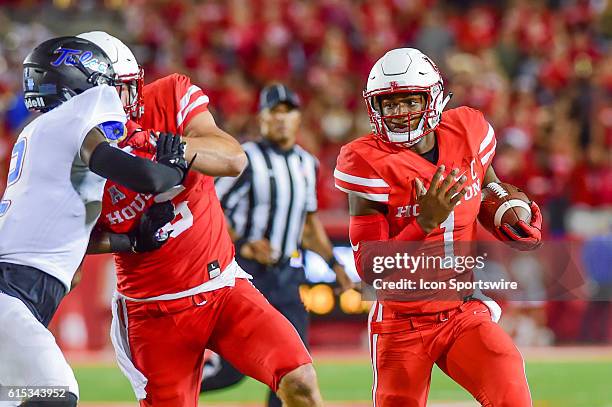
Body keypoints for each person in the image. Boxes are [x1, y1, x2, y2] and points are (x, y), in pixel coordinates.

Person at [81, 32, 323, 407]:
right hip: (154, 309)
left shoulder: (168, 96)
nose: (120, 102)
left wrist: (169, 146)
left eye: (122, 89)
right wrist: (125, 241)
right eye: (105, 93)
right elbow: (68, 241)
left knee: (300, 380)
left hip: (224, 287)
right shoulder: (69, 156)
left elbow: (232, 158)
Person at [334, 48, 542, 406]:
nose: (399, 114)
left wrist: (508, 215)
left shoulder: (468, 130)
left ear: (433, 97)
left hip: (462, 311)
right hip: (402, 321)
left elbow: (485, 184)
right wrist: (424, 222)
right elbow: (370, 269)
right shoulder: (365, 160)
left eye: (409, 101)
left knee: (510, 389)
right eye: (389, 104)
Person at [0, 36, 188, 407]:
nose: (119, 96)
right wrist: (171, 170)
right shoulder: (76, 118)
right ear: (82, 84)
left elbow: (60, 234)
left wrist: (129, 242)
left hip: (16, 286)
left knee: (17, 396)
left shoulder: (41, 133)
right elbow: (123, 168)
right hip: (12, 290)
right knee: (56, 395)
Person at [209, 84, 355, 406]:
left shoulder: (307, 163)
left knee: (294, 367)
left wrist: (336, 267)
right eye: (273, 111)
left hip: (288, 277)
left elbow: (308, 225)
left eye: (287, 111)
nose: (280, 118)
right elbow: (210, 208)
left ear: (298, 117)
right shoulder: (245, 159)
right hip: (247, 274)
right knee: (231, 371)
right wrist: (244, 243)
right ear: (261, 118)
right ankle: (168, 391)